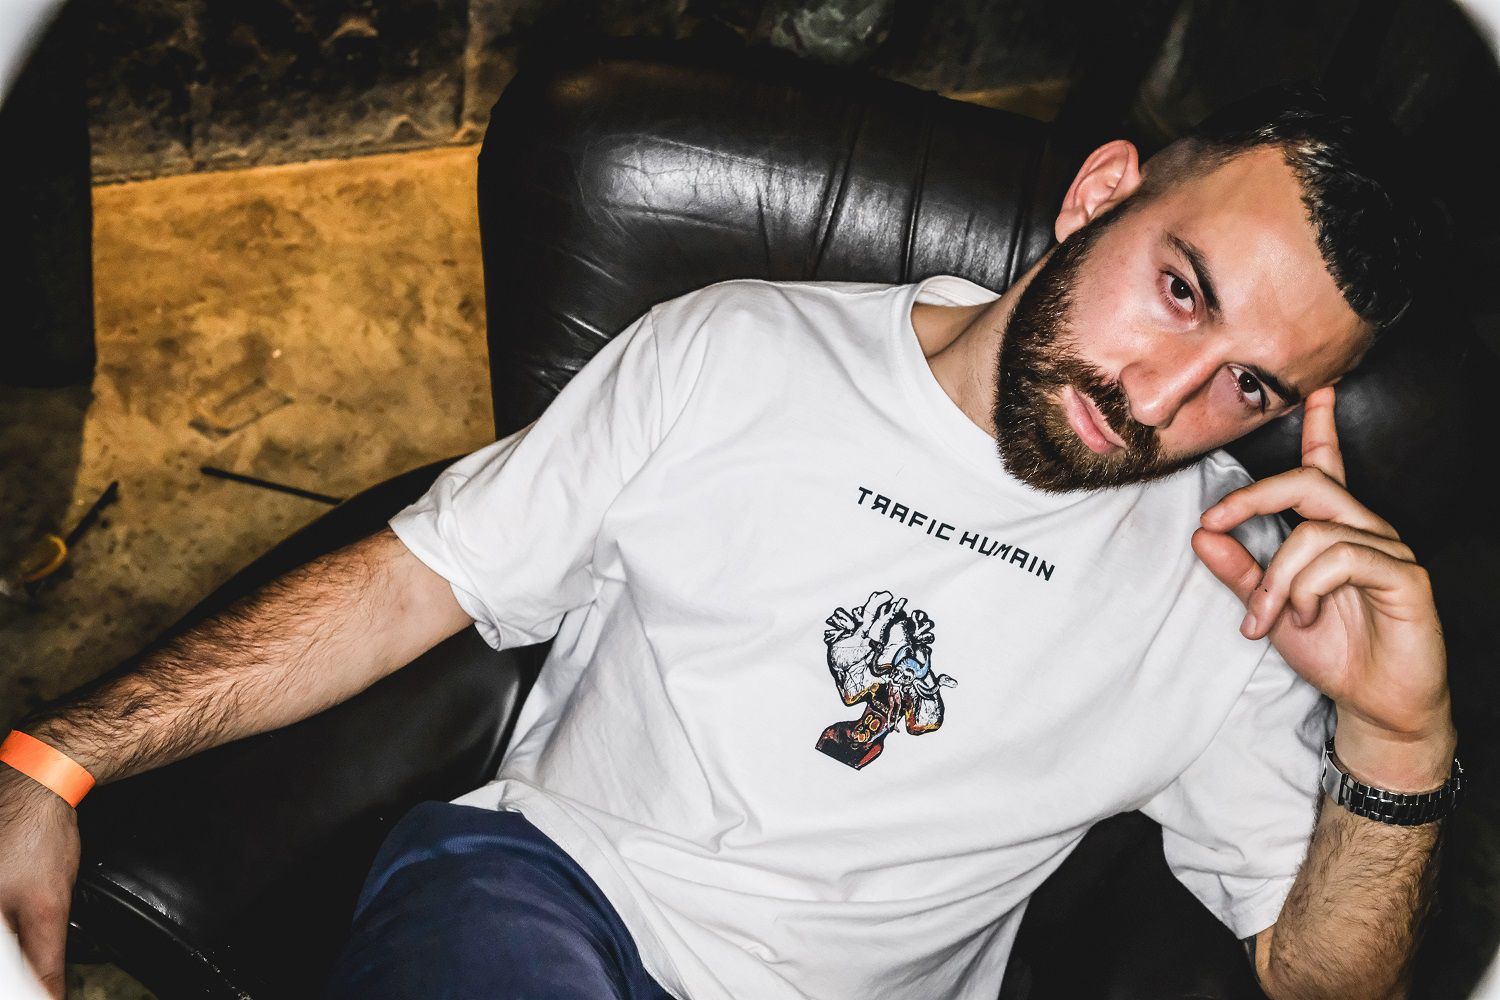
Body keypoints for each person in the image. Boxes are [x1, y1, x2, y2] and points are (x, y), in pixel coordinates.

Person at [0, 85, 1458, 1000]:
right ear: (1099, 196)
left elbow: (1317, 977)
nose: (1160, 399)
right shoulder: (739, 350)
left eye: (1249, 386)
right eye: (1182, 290)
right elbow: (411, 582)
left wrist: (1399, 740)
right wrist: (59, 756)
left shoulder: (1232, 588)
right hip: (551, 899)